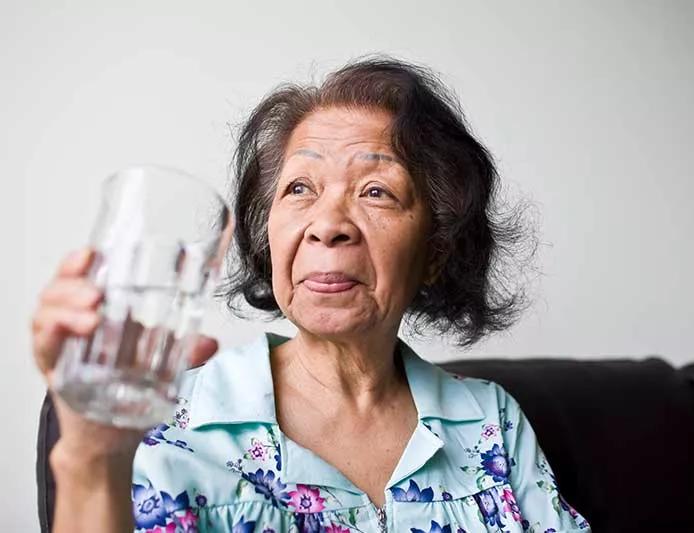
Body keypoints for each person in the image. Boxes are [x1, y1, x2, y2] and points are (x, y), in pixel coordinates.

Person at [32, 56, 591, 532]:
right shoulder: (160, 416)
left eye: (377, 191)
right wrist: (91, 459)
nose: (329, 224)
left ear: (436, 251)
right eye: (300, 188)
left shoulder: (491, 421)